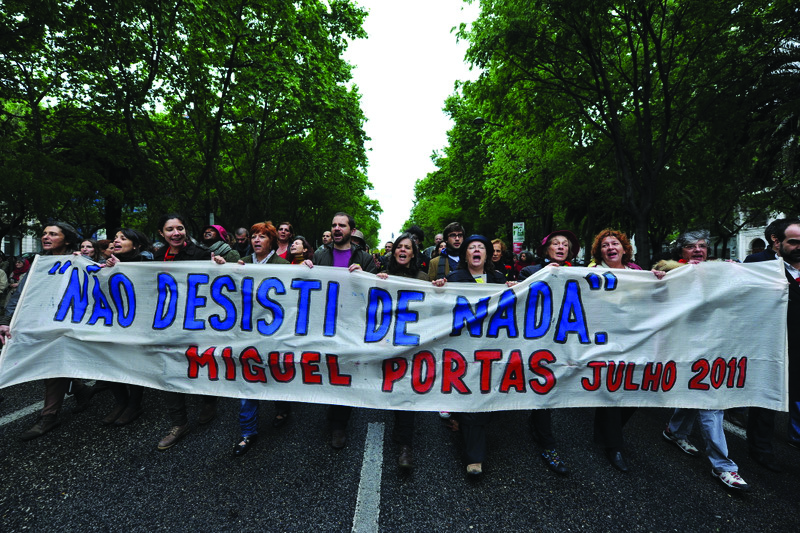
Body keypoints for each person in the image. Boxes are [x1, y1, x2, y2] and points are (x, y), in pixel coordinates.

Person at [658, 230, 750, 491]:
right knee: (706, 398)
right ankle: (724, 467)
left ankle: (676, 432)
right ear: (681, 252)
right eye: (690, 246)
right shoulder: (669, 272)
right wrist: (657, 281)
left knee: (706, 397)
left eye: (702, 246)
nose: (697, 250)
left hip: (714, 345)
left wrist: (737, 273)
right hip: (684, 345)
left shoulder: (720, 270)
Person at [0, 222, 94, 440]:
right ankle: (81, 390)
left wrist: (85, 262)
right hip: (40, 323)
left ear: (67, 240)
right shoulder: (39, 264)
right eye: (44, 234)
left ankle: (49, 416)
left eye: (53, 234)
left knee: (51, 364)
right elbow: (21, 295)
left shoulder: (80, 261)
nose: (46, 237)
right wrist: (6, 320)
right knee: (47, 364)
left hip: (69, 326)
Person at [431, 235, 512, 475]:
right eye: (471, 248)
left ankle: (462, 420)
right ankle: (474, 458)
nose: (476, 251)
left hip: (491, 348)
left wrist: (513, 289)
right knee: (470, 399)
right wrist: (438, 290)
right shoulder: (454, 279)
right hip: (463, 349)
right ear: (465, 255)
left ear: (487, 255)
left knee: (484, 397)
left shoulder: (498, 279)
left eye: (481, 248)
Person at [309, 212, 377, 449]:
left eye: (342, 225)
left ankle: (339, 424)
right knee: (327, 367)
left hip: (351, 324)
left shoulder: (365, 258)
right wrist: (306, 269)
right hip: (325, 322)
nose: (337, 228)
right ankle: (331, 408)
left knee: (343, 370)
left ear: (351, 230)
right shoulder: (319, 255)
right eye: (334, 225)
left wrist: (365, 276)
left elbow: (374, 290)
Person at [152, 213, 220, 451]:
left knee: (199, 363)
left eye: (180, 228)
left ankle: (209, 401)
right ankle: (178, 424)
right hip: (168, 323)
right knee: (169, 370)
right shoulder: (157, 256)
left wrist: (221, 266)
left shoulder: (201, 254)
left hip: (195, 322)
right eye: (170, 229)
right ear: (162, 233)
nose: (176, 233)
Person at [224, 222, 292, 456]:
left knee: (276, 372)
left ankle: (282, 408)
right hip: (247, 332)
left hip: (275, 332)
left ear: (271, 241)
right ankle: (247, 431)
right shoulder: (243, 263)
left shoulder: (283, 265)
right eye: (254, 236)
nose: (257, 240)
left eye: (262, 236)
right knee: (248, 379)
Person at [587, 229, 652, 472]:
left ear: (624, 249)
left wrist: (658, 278)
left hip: (635, 340)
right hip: (606, 341)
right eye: (605, 245)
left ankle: (604, 431)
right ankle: (614, 446)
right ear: (600, 252)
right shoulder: (592, 273)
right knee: (613, 390)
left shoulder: (638, 273)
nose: (610, 247)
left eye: (615, 243)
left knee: (635, 392)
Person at [746, 219, 800, 472]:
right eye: (794, 242)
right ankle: (760, 449)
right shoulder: (761, 265)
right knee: (767, 399)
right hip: (770, 344)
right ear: (777, 242)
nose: (799, 247)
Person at [375, 233, 429, 469]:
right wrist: (376, 281)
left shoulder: (423, 278)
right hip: (387, 342)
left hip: (414, 343)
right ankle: (398, 426)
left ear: (414, 253)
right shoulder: (382, 277)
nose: (403, 250)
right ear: (394, 252)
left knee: (406, 389)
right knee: (392, 386)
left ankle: (405, 446)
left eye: (408, 247)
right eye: (400, 247)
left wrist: (438, 287)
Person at [100, 228, 153, 426]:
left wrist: (122, 269)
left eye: (123, 238)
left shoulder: (146, 263)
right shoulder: (108, 263)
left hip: (137, 323)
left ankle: (134, 405)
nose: (117, 240)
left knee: (133, 364)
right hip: (113, 322)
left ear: (137, 245)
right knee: (111, 361)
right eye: (115, 238)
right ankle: (120, 402)